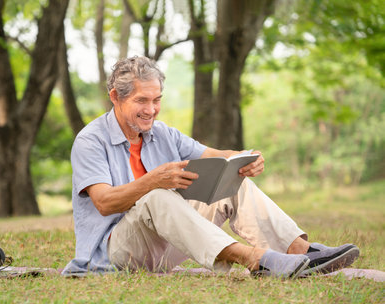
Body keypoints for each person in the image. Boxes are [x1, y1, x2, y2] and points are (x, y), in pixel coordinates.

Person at [62, 56, 359, 278]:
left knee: (232, 177)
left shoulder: (162, 132)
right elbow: (103, 203)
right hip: (115, 253)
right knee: (157, 195)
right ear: (115, 97)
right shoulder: (90, 140)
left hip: (164, 242)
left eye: (156, 100)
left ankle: (300, 253)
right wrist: (153, 181)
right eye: (142, 100)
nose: (151, 110)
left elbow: (215, 155)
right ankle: (256, 260)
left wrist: (244, 158)